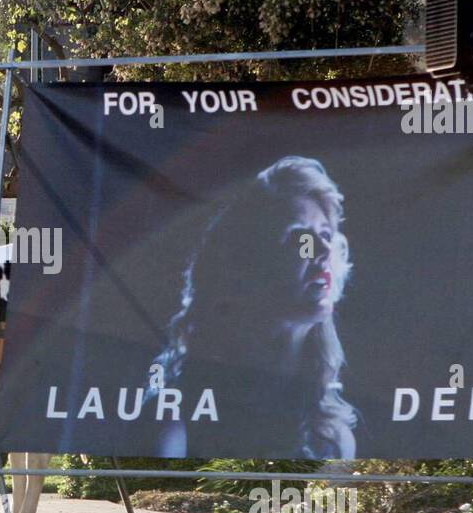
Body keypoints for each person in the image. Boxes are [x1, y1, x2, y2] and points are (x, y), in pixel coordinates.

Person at [149, 156, 359, 460]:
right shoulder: (174, 420)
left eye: (326, 234)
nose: (323, 250)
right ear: (244, 265)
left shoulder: (332, 434)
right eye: (300, 237)